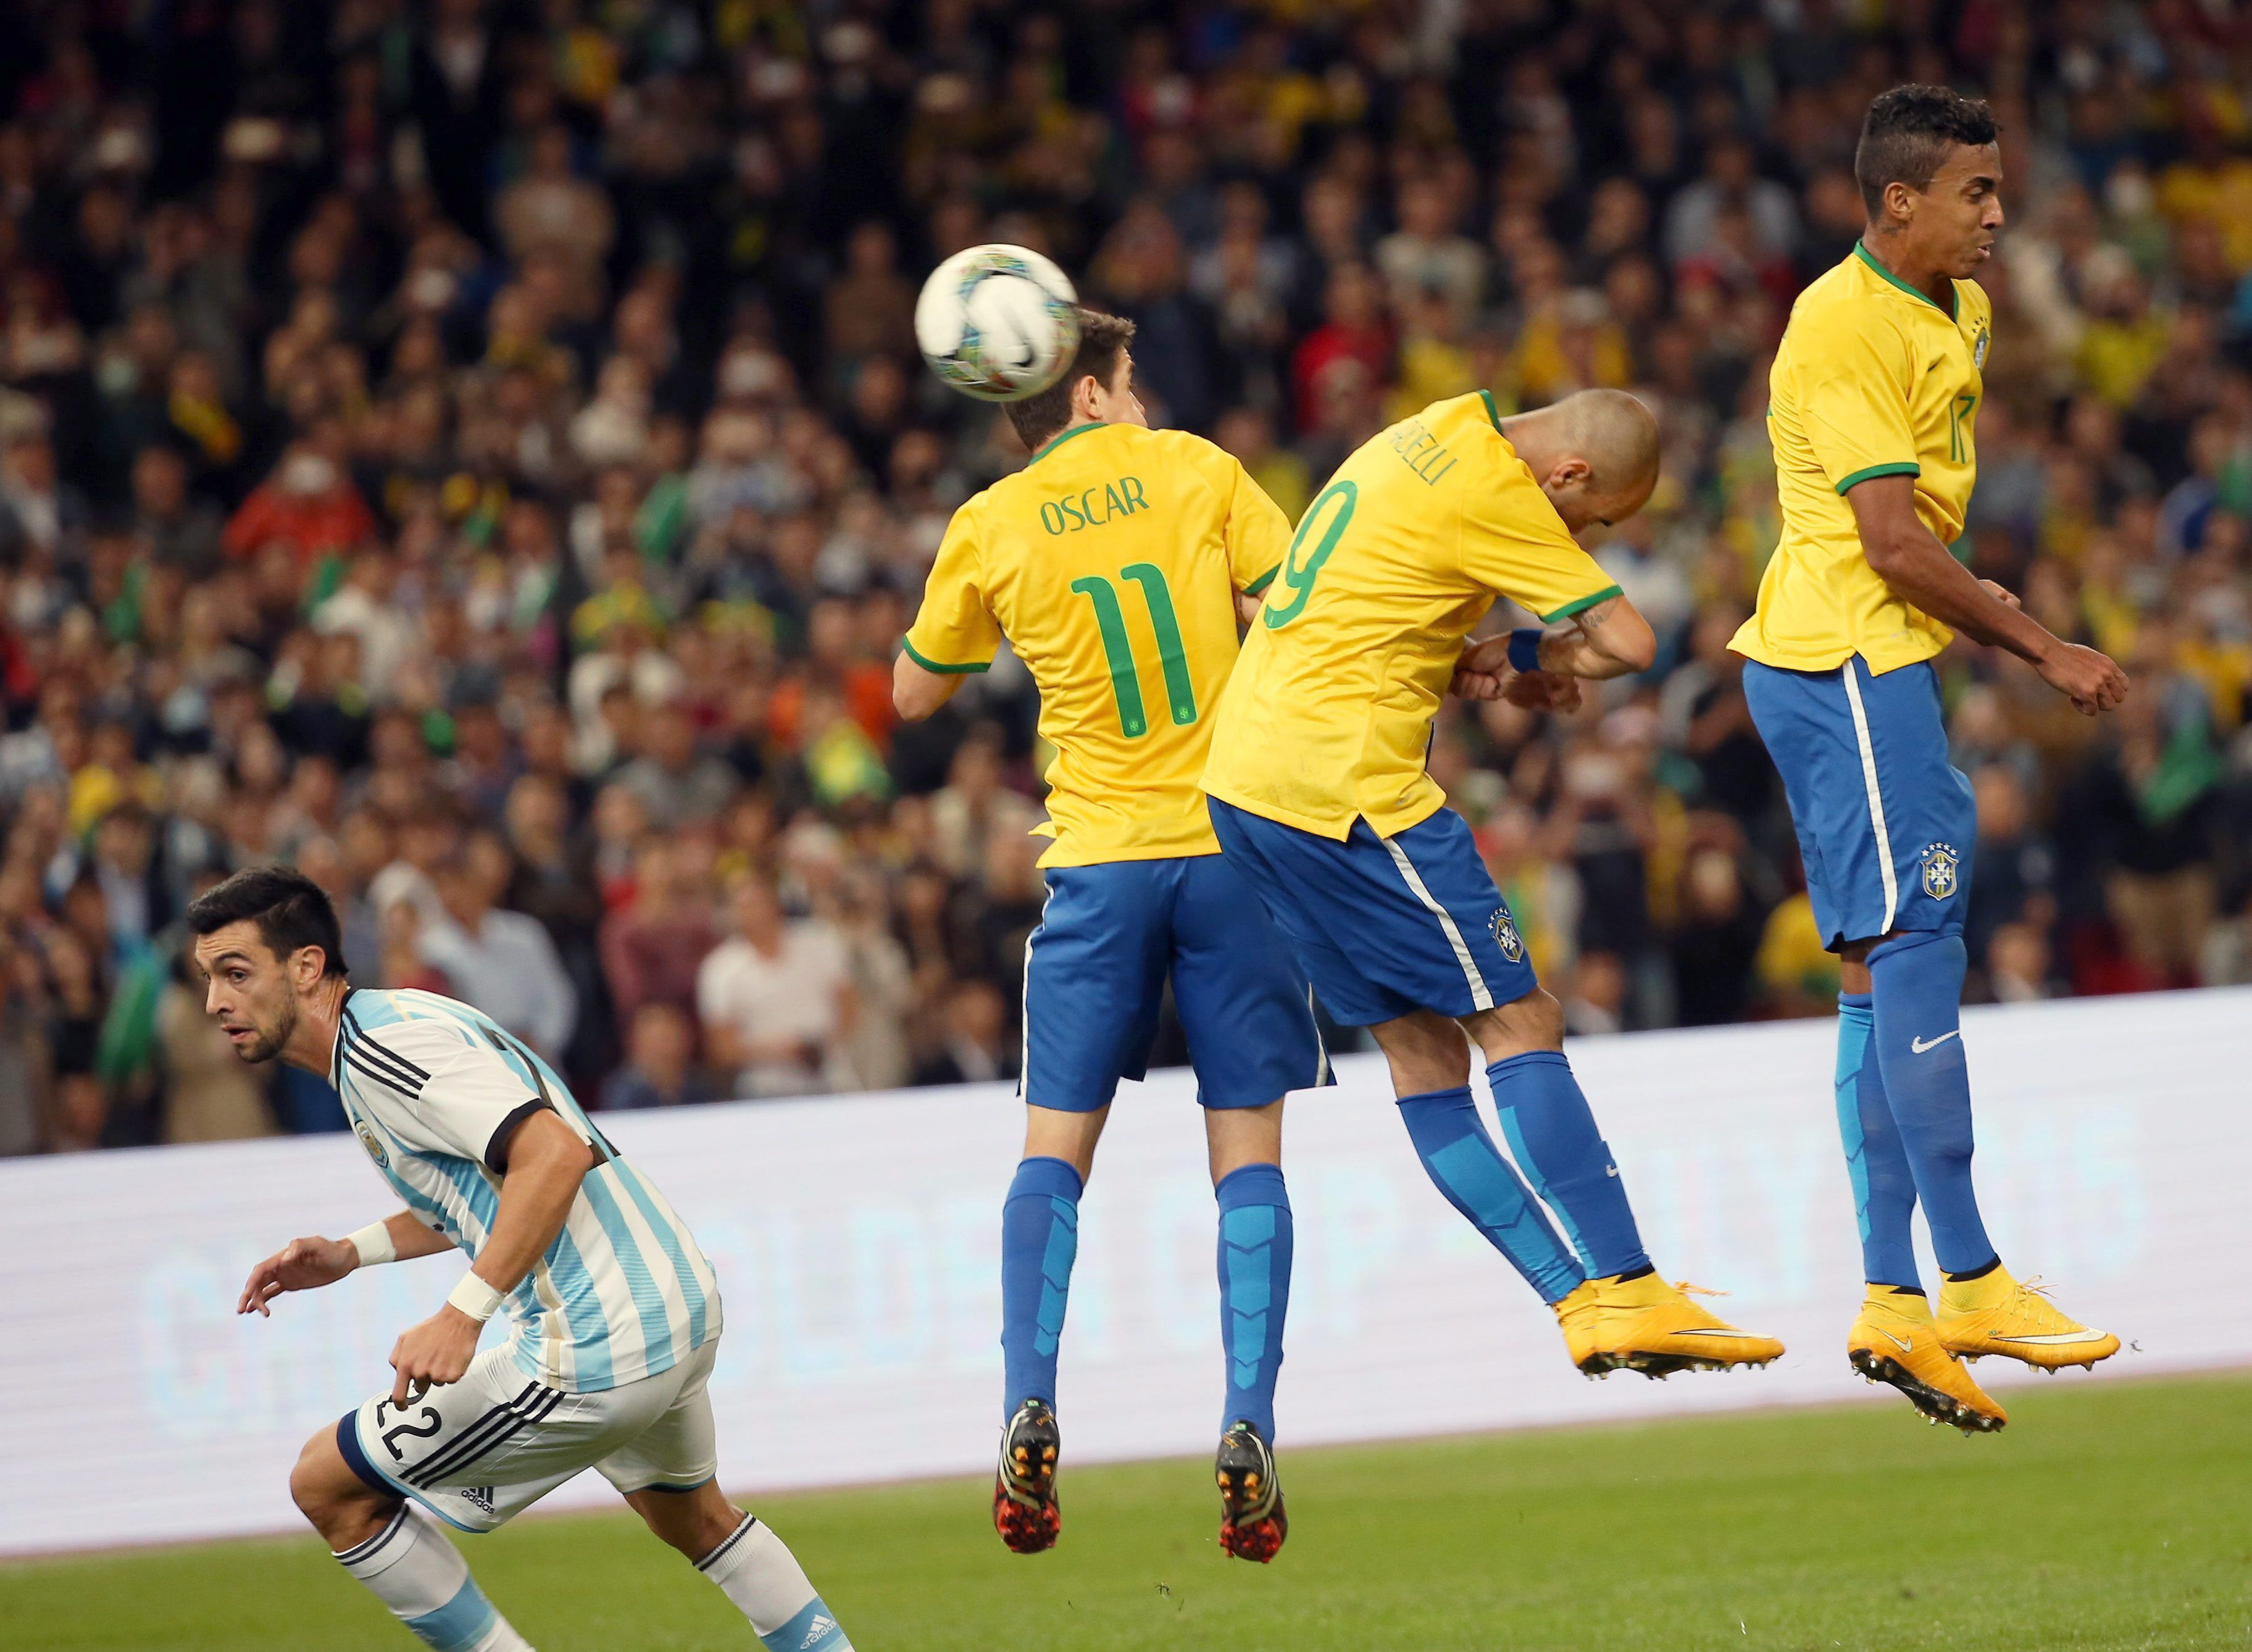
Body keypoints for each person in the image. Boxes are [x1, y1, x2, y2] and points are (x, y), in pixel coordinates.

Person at [1203, 385, 1785, 1382]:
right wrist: (1523, 649)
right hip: (1346, 790)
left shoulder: (1424, 432)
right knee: (1523, 1024)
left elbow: (1360, 612)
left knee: (1425, 1058)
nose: (1583, 531)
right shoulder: (1498, 490)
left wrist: (1474, 660)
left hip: (1245, 785)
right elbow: (1626, 643)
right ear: (1566, 475)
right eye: (1592, 517)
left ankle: (1579, 1304)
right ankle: (1630, 1288)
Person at [893, 311, 1324, 1563]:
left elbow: (917, 690)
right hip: (1234, 856)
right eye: (1127, 381)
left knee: (1054, 1151)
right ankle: (1249, 1419)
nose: (1138, 398)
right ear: (1087, 391)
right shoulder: (1196, 470)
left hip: (1095, 865)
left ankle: (1030, 1399)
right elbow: (1293, 605)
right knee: (1248, 1151)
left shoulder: (991, 521)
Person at [1734, 86, 2129, 1436]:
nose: (1999, 217)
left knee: (1877, 969)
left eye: (1998, 191)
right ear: (1898, 200)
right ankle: (1969, 1272)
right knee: (1921, 939)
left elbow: (1919, 524)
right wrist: (2046, 647)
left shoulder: (1957, 308)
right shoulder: (1839, 325)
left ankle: (1894, 1300)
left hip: (1865, 657)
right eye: (1976, 194)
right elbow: (1894, 543)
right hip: (1844, 656)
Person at [190, 867, 851, 1652]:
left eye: (235, 974)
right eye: (208, 980)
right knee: (699, 1520)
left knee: (328, 1485)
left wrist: (460, 1316)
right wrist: (350, 1252)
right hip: (676, 1299)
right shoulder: (388, 1028)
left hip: (599, 1343)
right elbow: (484, 1188)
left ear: (304, 967)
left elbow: (554, 1155)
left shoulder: (381, 1050)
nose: (216, 1003)